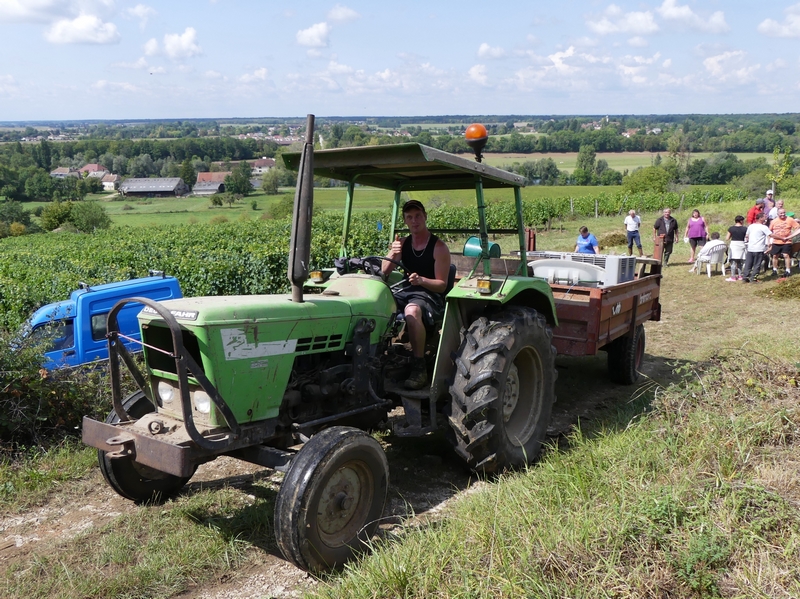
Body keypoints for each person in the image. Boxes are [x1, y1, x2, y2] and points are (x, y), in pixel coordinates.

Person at [382, 199, 451, 390]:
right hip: (407, 290)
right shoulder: (402, 244)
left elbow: (442, 285)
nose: (414, 221)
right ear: (405, 221)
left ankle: (419, 367)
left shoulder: (439, 247)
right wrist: (392, 253)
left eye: (418, 216)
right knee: (377, 303)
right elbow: (384, 272)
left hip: (430, 294)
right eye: (409, 217)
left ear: (425, 217)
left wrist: (422, 280)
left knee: (411, 311)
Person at [741, 212, 774, 283]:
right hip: (759, 249)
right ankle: (754, 279)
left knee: (748, 264)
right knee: (757, 265)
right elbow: (771, 235)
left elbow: (747, 236)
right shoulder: (763, 227)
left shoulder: (751, 226)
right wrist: (782, 238)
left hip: (750, 248)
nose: (766, 219)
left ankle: (745, 277)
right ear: (761, 218)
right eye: (765, 217)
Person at [768, 207, 799, 278]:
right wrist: (769, 241)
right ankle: (774, 270)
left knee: (786, 255)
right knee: (775, 256)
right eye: (781, 213)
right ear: (777, 214)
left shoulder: (790, 219)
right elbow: (769, 232)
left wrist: (791, 235)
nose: (783, 214)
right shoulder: (774, 221)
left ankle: (788, 270)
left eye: (784, 213)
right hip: (776, 241)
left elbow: (797, 228)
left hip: (786, 241)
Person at [725, 215, 747, 281]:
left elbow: (727, 238)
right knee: (740, 262)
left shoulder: (731, 228)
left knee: (733, 262)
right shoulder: (745, 229)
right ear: (741, 221)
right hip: (741, 244)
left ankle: (733, 276)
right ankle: (740, 276)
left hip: (734, 245)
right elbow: (747, 237)